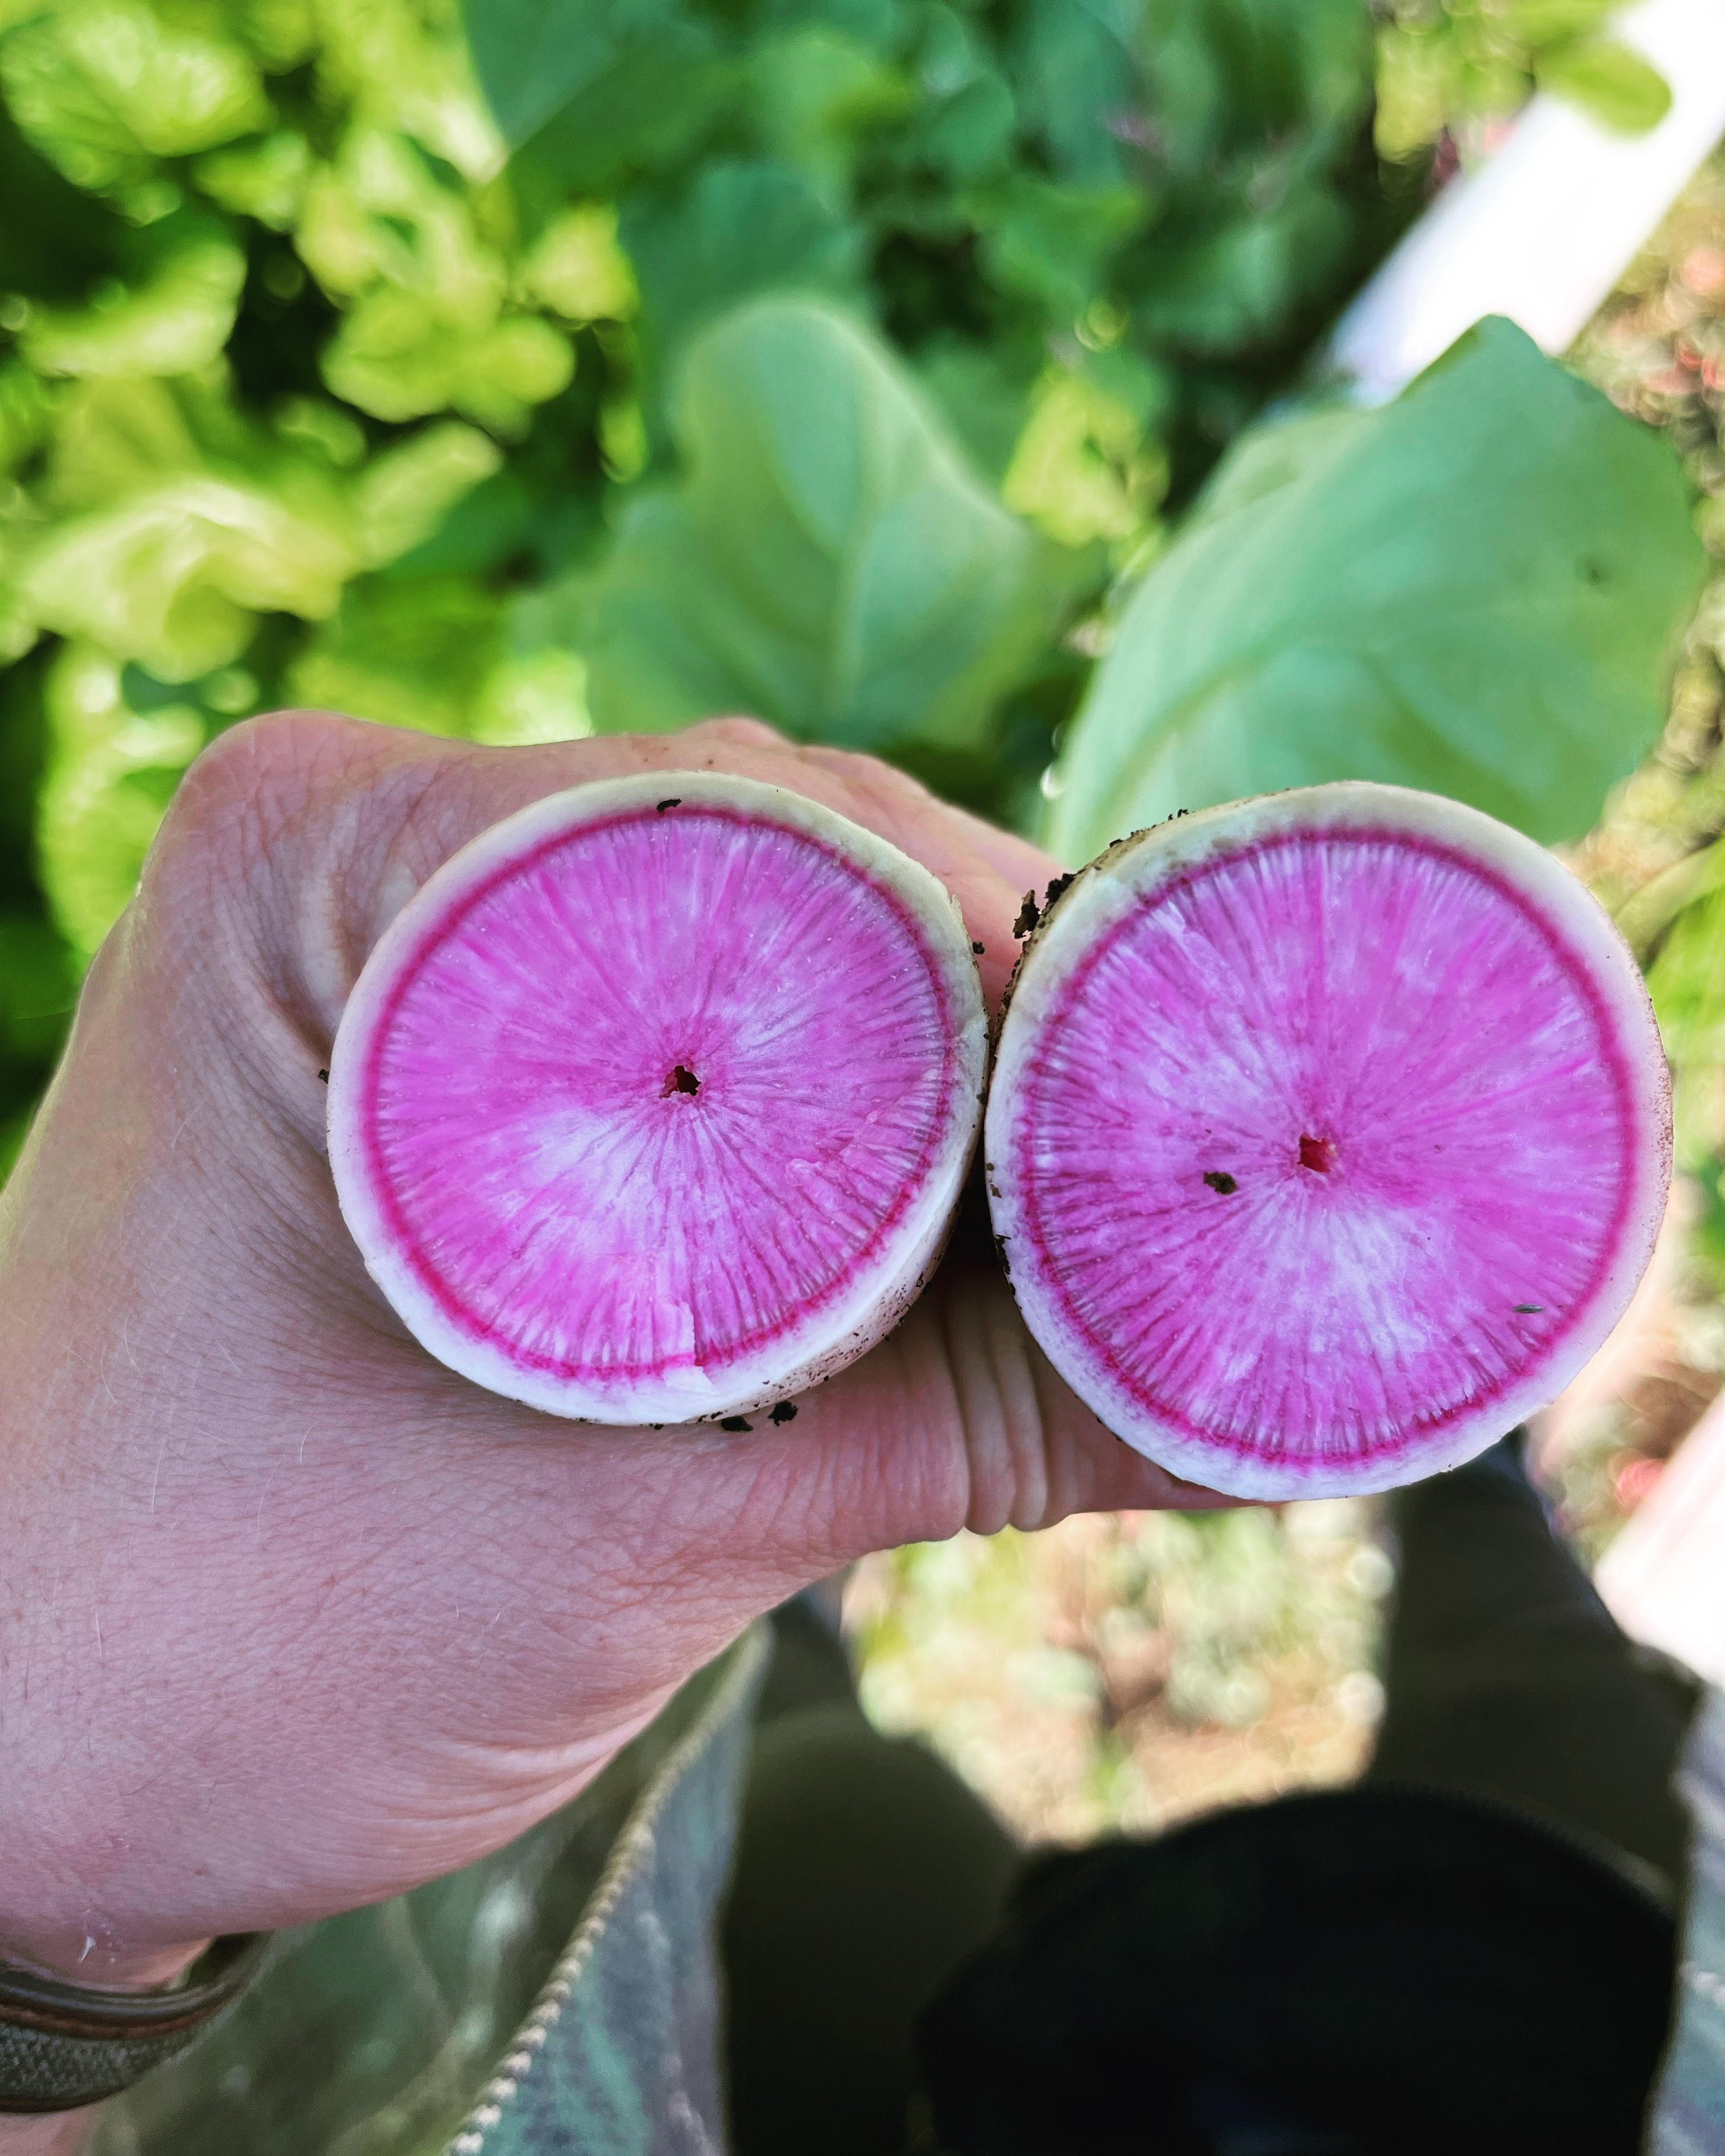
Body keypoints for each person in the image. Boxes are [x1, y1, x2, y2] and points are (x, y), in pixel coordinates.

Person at [1, 713, 1721, 2155]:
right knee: (1530, 1677)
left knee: (825, 1803)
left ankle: (816, 1581)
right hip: (1564, 2012)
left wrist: (38, 1869)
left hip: (953, 2089)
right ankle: (1461, 1466)